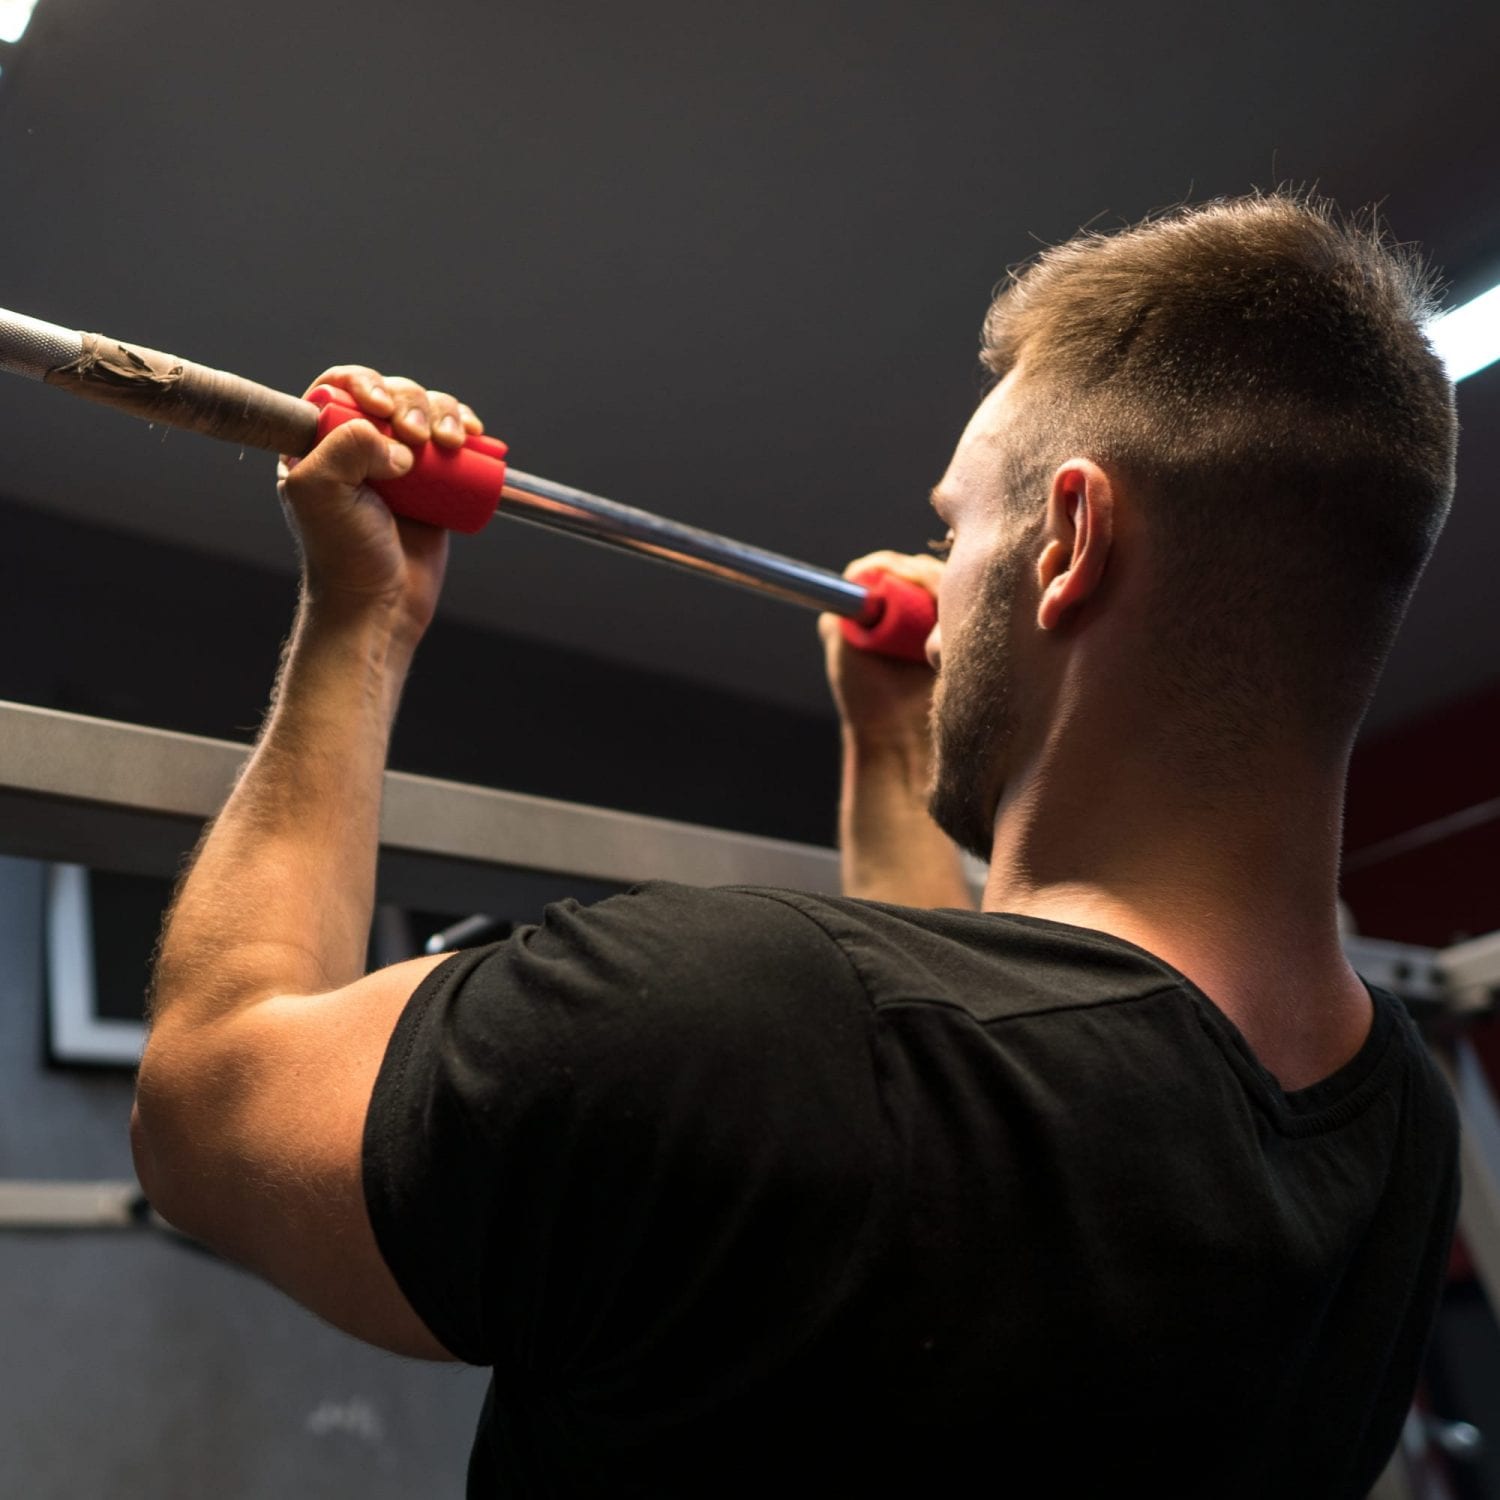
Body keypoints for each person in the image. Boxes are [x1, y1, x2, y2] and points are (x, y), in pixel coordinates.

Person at [130, 192, 1461, 1497]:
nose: (941, 590)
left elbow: (204, 1105)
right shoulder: (1397, 1132)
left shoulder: (737, 1019)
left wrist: (361, 622)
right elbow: (981, 1079)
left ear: (1070, 541)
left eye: (957, 529)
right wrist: (892, 747)